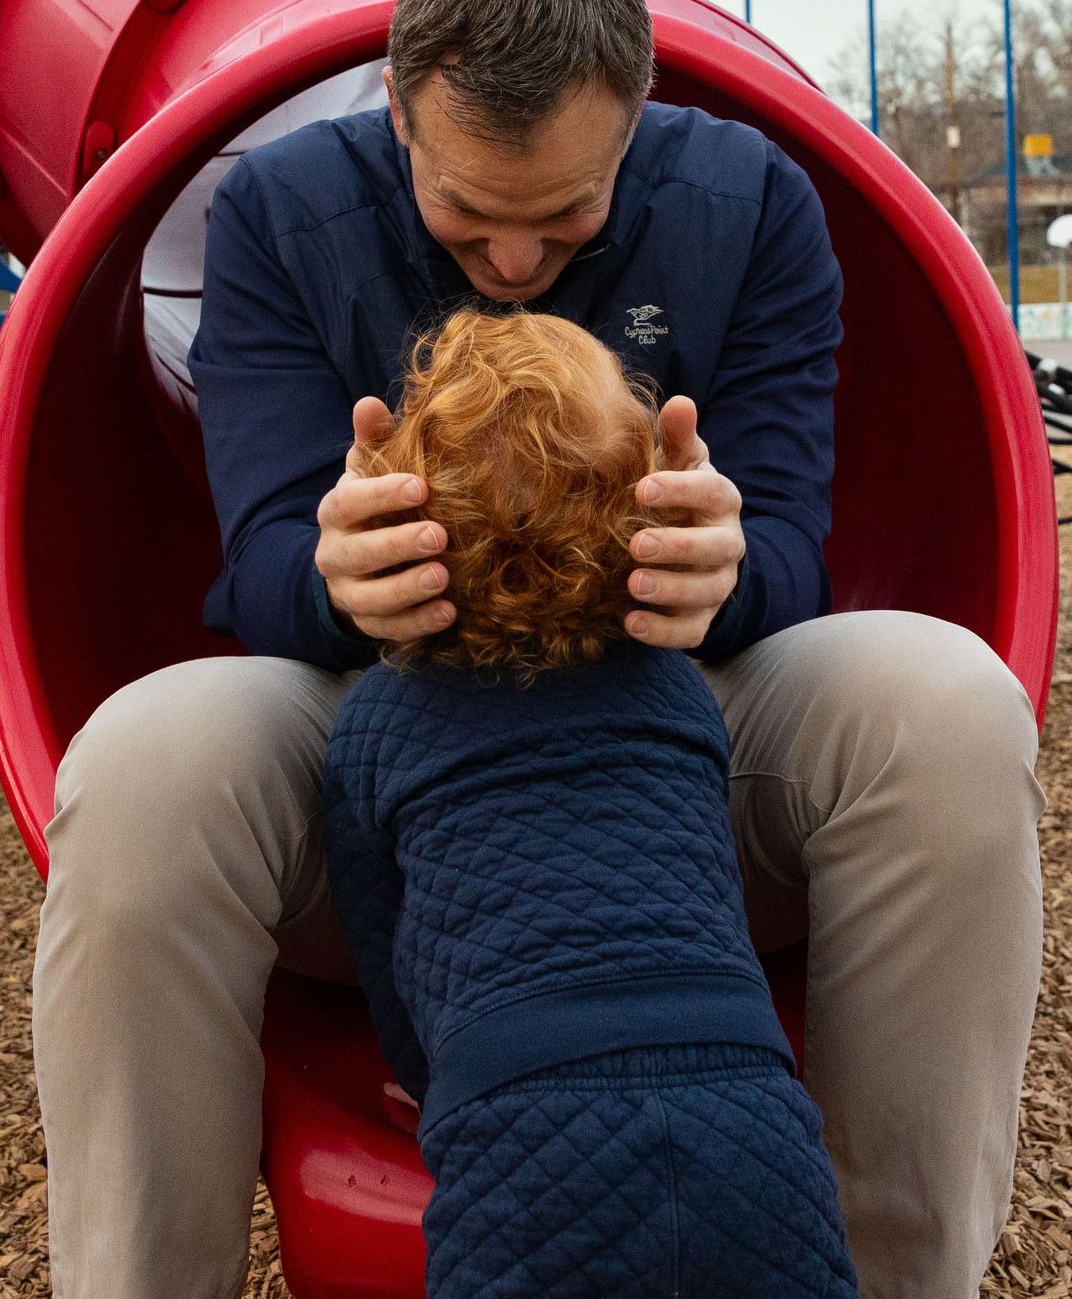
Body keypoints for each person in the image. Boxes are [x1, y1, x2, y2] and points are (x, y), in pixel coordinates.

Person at [32, 0, 1045, 1299]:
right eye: (466, 211)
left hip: (664, 725)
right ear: (395, 111)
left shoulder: (752, 203)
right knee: (144, 760)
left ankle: (894, 1273)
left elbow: (802, 548)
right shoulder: (279, 214)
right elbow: (256, 563)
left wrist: (725, 566)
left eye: (565, 218)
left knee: (953, 705)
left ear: (640, 120)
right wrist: (331, 576)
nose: (512, 258)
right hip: (390, 730)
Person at [323, 308, 858, 1299]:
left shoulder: (378, 724)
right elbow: (703, 881)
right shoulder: (678, 693)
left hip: (519, 1138)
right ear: (642, 509)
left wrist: (426, 1074)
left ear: (407, 511)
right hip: (750, 1105)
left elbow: (387, 948)